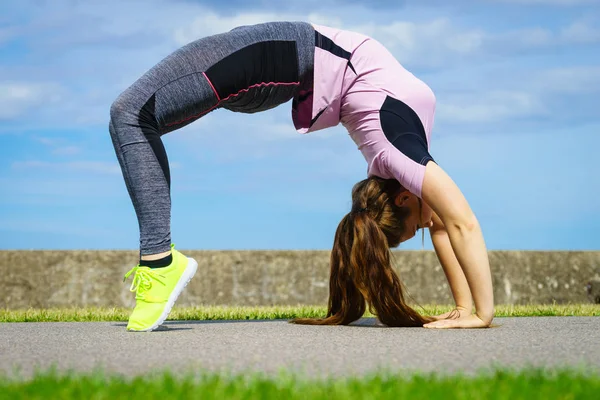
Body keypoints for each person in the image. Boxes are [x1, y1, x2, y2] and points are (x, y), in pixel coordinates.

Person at [109, 21, 494, 332]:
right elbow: (461, 223)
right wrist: (482, 313)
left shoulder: (400, 157)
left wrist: (464, 308)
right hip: (283, 56)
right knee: (130, 114)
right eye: (416, 229)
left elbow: (445, 225)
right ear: (403, 198)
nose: (427, 226)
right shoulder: (396, 154)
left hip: (283, 62)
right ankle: (160, 266)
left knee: (132, 114)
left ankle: (158, 262)